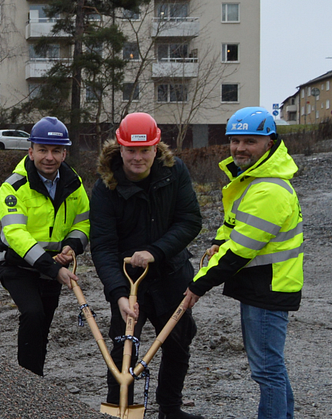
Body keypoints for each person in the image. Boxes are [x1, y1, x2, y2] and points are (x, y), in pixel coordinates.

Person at [184, 107, 303, 419]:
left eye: (250, 141)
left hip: (269, 287)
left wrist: (200, 284)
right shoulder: (253, 179)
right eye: (235, 141)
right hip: (263, 285)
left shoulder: (269, 189)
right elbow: (233, 225)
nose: (239, 148)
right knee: (271, 366)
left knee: (267, 370)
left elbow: (241, 250)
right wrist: (217, 242)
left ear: (269, 142)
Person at [89, 112, 203, 419]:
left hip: (170, 272)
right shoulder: (104, 188)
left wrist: (156, 251)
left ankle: (170, 408)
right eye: (131, 150)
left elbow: (190, 220)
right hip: (129, 282)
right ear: (120, 148)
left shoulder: (174, 171)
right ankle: (119, 409)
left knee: (178, 343)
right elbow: (102, 246)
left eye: (145, 150)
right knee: (122, 346)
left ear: (156, 147)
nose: (137, 158)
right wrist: (117, 294)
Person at [0, 116, 90, 376]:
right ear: (31, 151)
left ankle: (36, 381)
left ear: (64, 152)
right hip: (16, 264)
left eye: (56, 151)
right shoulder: (13, 187)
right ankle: (27, 382)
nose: (49, 157)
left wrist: (71, 247)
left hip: (53, 266)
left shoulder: (74, 184)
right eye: (43, 150)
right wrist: (52, 268)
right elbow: (16, 234)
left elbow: (83, 224)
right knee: (33, 314)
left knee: (44, 323)